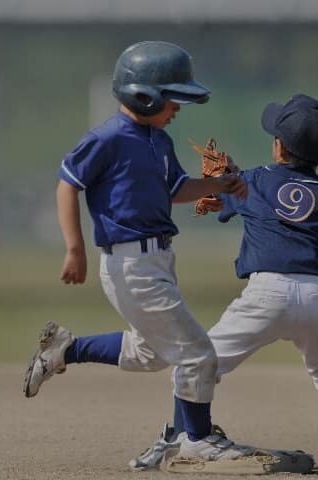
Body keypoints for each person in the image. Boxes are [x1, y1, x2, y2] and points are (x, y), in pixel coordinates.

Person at [24, 41, 254, 467]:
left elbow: (177, 190)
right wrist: (74, 247)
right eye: (173, 98)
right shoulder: (106, 138)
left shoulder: (159, 140)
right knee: (199, 353)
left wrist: (220, 185)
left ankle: (64, 350)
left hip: (158, 260)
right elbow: (67, 183)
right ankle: (198, 439)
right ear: (143, 95)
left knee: (151, 354)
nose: (178, 108)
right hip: (131, 262)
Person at [131, 93, 318, 470]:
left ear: (278, 147)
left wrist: (224, 176)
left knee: (198, 364)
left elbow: (226, 192)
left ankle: (180, 437)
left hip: (267, 295)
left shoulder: (253, 180)